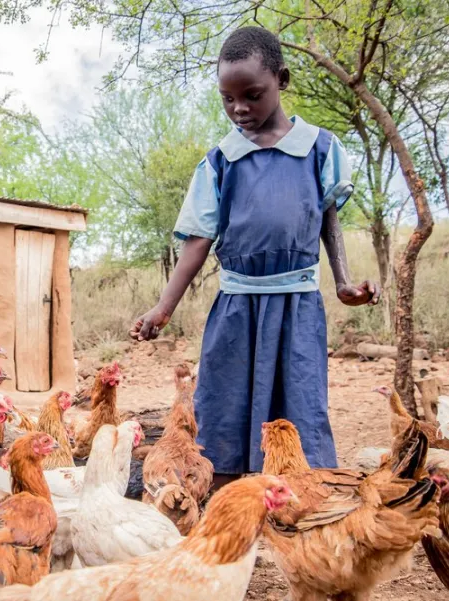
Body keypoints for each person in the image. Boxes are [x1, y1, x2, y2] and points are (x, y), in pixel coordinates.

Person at [129, 26, 380, 489]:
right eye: (227, 98)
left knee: (300, 401)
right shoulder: (221, 160)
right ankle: (226, 501)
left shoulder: (320, 148)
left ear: (281, 80)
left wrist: (343, 281)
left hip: (298, 304)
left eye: (252, 94)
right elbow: (199, 240)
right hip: (236, 306)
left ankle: (303, 498)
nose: (239, 108)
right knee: (222, 404)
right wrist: (163, 308)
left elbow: (327, 217)